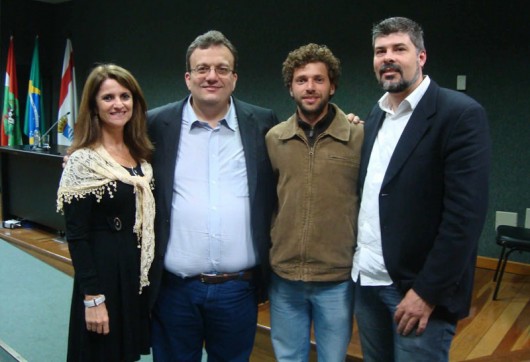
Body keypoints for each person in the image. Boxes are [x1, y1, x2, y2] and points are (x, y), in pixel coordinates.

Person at [352, 17, 491, 361]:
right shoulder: (377, 115)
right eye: (380, 51)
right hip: (367, 283)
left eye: (399, 48)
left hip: (415, 293)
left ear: (422, 56)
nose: (388, 57)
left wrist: (426, 292)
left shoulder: (459, 115)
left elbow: (464, 218)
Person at [147, 30, 279, 361]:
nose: (212, 76)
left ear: (234, 78)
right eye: (202, 68)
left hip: (238, 291)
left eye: (222, 69)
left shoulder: (262, 123)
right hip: (175, 290)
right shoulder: (156, 124)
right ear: (188, 77)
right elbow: (115, 150)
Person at [265, 43, 363, 361]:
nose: (310, 87)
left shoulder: (359, 138)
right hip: (285, 277)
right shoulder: (274, 139)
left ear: (332, 85)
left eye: (318, 79)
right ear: (291, 88)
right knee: (288, 357)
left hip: (336, 278)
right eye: (301, 80)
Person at [56, 64, 155, 361]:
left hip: (133, 275)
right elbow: (76, 235)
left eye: (125, 96)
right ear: (94, 106)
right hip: (102, 278)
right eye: (108, 98)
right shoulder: (83, 161)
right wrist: (92, 299)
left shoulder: (141, 155)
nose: (118, 104)